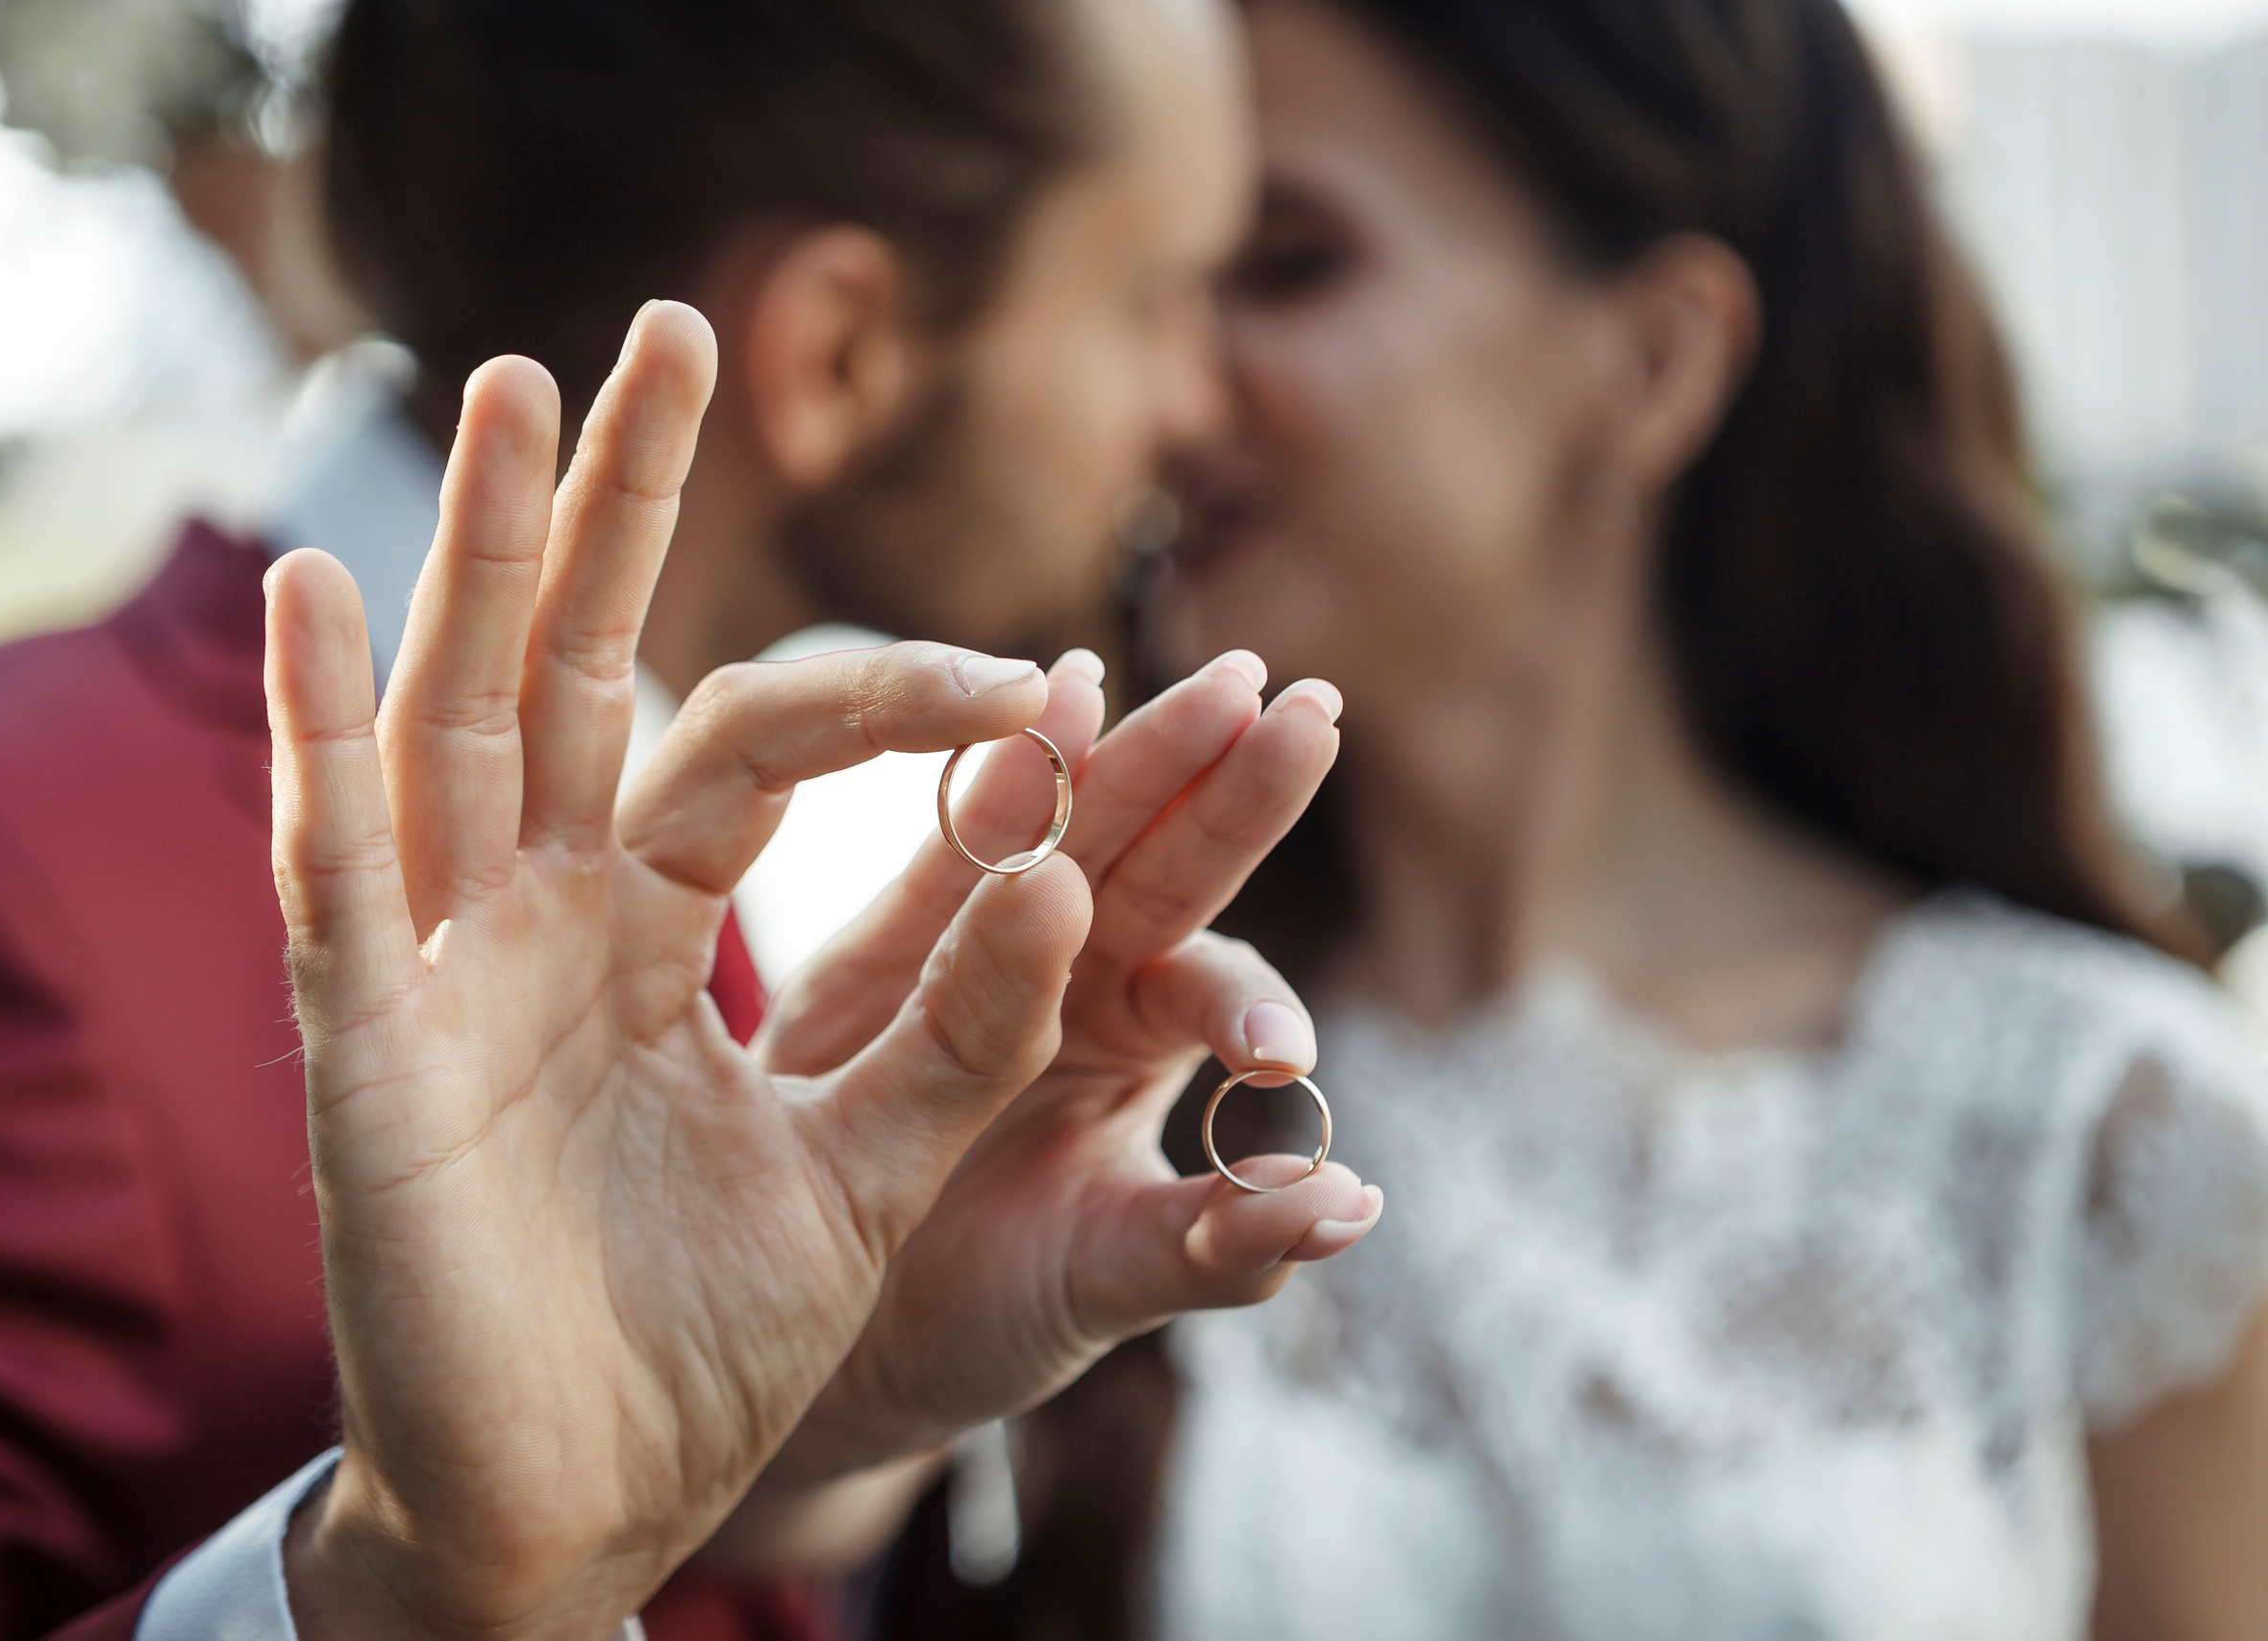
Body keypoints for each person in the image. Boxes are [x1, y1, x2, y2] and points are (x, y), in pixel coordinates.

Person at [0, 1, 1384, 1635]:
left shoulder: (793, 862)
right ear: (840, 349)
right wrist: (404, 1591)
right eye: (1151, 301)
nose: (1203, 405)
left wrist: (822, 1433)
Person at [935, 2, 2268, 1638]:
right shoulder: (1085, 1067)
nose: (1175, 382)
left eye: (1287, 263)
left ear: (1654, 359)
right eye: (1161, 282)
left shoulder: (2103, 1126)